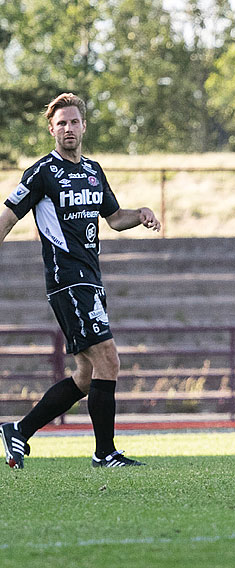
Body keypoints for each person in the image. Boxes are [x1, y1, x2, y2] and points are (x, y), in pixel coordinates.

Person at [1, 93, 160, 469]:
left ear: (83, 126)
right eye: (61, 124)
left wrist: (140, 214)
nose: (68, 129)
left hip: (92, 279)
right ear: (52, 129)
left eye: (74, 122)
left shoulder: (93, 170)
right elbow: (7, 217)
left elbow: (114, 217)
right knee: (109, 359)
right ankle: (104, 452)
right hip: (68, 280)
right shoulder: (41, 173)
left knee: (88, 376)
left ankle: (19, 431)